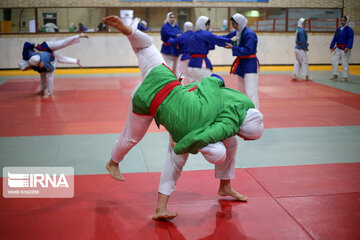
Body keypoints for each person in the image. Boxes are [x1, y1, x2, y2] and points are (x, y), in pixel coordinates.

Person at [102, 16, 264, 220]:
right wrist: (181, 143)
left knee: (228, 144)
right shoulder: (224, 124)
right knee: (155, 146)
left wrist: (130, 31)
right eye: (246, 137)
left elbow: (213, 81)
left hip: (166, 79)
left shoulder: (236, 104)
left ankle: (224, 186)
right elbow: (200, 137)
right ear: (242, 129)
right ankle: (116, 164)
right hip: (149, 101)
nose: (243, 138)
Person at [18, 33, 89, 97]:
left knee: (62, 44)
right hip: (47, 56)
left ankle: (79, 36)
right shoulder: (32, 65)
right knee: (44, 72)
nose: (26, 70)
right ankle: (42, 89)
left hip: (46, 47)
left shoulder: (25, 55)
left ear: (25, 64)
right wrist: (41, 67)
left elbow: (26, 44)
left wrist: (33, 49)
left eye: (25, 69)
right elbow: (42, 70)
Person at [224, 13, 260, 110]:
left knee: (251, 91)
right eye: (232, 24)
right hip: (241, 64)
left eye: (234, 24)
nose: (233, 26)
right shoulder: (237, 32)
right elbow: (226, 38)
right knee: (241, 90)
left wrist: (233, 47)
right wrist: (210, 38)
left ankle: (255, 112)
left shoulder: (249, 34)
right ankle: (245, 111)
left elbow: (248, 50)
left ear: (240, 23)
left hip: (250, 64)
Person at [187, 16, 232, 83]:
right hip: (200, 65)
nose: (209, 27)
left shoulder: (193, 35)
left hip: (191, 65)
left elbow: (212, 42)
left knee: (192, 88)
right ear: (204, 25)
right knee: (207, 85)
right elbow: (217, 39)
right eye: (208, 25)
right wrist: (230, 40)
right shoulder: (204, 34)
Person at [329, 16, 354, 82]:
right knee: (334, 61)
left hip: (345, 49)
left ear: (347, 21)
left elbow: (350, 39)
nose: (342, 21)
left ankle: (344, 77)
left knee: (344, 63)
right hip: (338, 47)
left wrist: (348, 47)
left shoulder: (349, 30)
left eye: (344, 20)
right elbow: (335, 37)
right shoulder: (339, 29)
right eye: (341, 20)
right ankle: (335, 75)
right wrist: (331, 46)